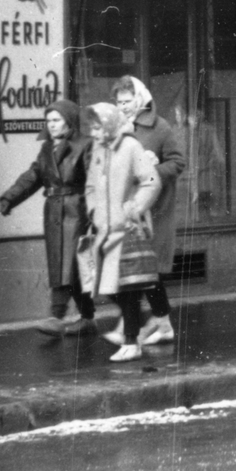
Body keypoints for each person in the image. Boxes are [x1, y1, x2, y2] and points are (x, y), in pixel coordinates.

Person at [0, 99, 94, 338]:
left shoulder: (85, 145)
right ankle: (87, 318)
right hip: (54, 212)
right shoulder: (46, 149)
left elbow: (95, 181)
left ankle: (57, 315)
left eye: (56, 120)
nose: (51, 125)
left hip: (77, 210)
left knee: (69, 264)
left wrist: (95, 214)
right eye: (48, 120)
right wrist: (10, 197)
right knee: (64, 265)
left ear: (69, 120)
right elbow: (33, 176)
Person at [107, 76, 186, 347]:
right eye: (119, 102)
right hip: (130, 211)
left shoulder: (160, 128)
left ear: (140, 99)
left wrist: (152, 172)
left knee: (149, 270)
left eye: (127, 101)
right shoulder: (117, 128)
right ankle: (155, 323)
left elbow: (177, 162)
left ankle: (150, 325)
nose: (123, 107)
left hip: (156, 211)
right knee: (136, 270)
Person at [83, 103, 162, 362]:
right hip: (105, 230)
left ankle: (131, 342)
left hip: (127, 229)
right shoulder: (98, 149)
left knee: (128, 288)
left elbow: (151, 180)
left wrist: (134, 207)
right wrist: (94, 212)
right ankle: (141, 328)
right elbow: (91, 186)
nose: (93, 133)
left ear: (108, 126)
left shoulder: (130, 147)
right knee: (107, 287)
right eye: (92, 128)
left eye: (97, 128)